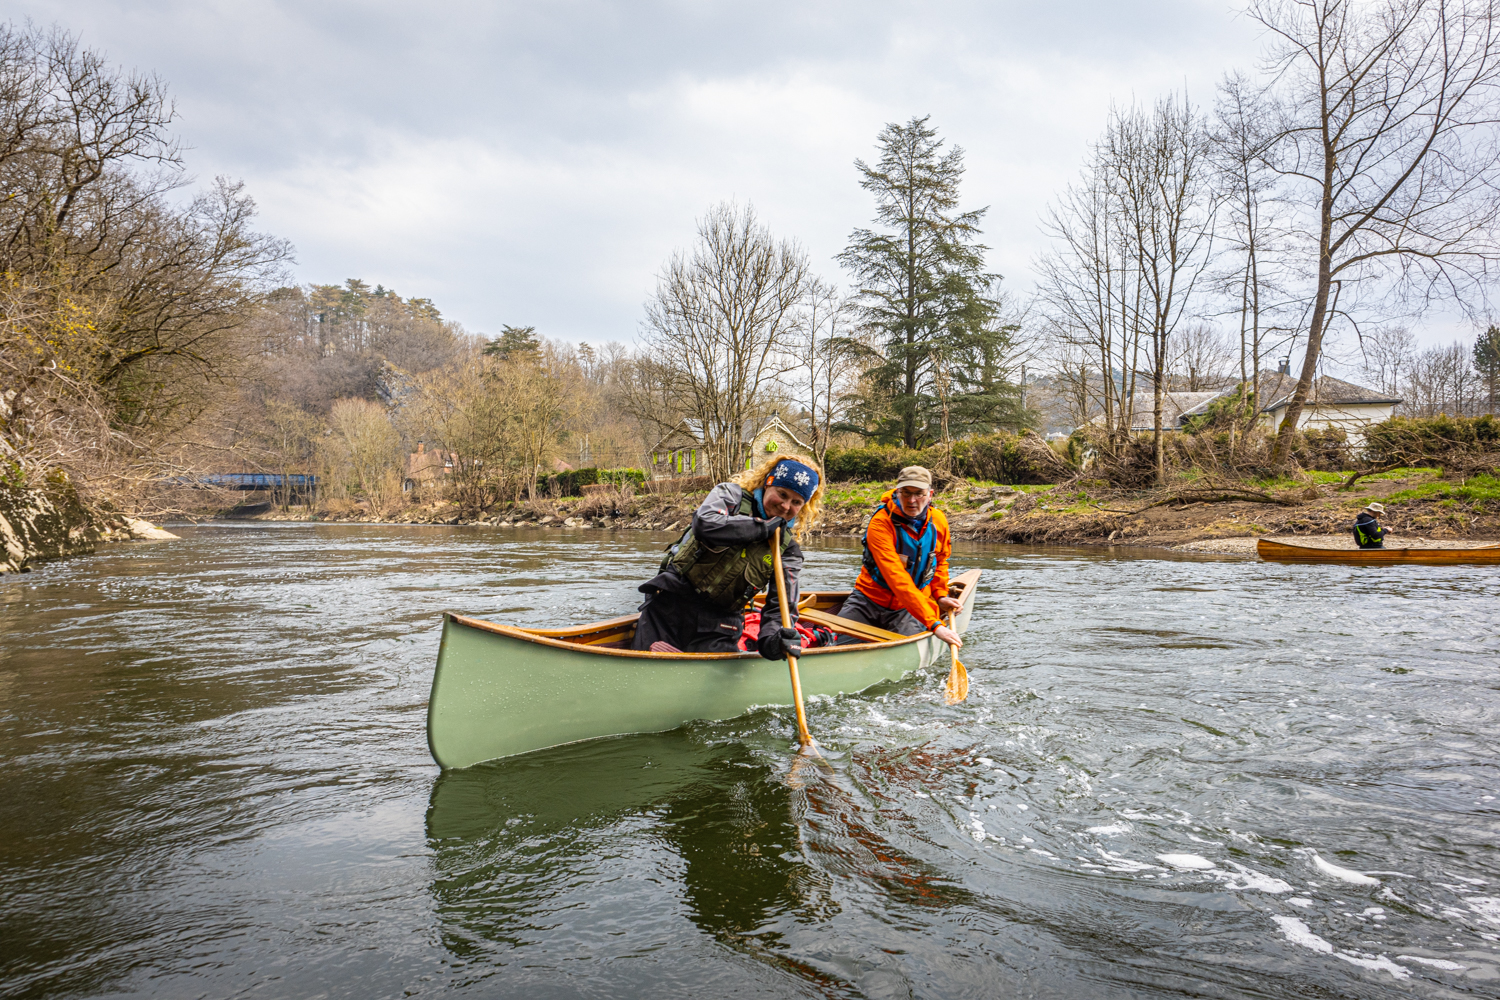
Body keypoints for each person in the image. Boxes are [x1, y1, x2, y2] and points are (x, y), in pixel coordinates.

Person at [633, 454, 824, 658]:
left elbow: (781, 607)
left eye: (796, 502)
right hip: (670, 606)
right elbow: (705, 524)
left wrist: (775, 642)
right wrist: (762, 529)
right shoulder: (730, 496)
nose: (786, 506)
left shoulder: (788, 550)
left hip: (719, 626)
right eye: (782, 494)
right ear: (768, 483)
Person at [836, 465, 962, 648]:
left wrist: (940, 595)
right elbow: (897, 578)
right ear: (897, 491)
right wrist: (935, 625)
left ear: (930, 494)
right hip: (867, 600)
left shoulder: (939, 521)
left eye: (919, 493)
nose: (912, 500)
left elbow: (940, 561)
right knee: (836, 644)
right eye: (906, 493)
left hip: (910, 608)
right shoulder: (880, 523)